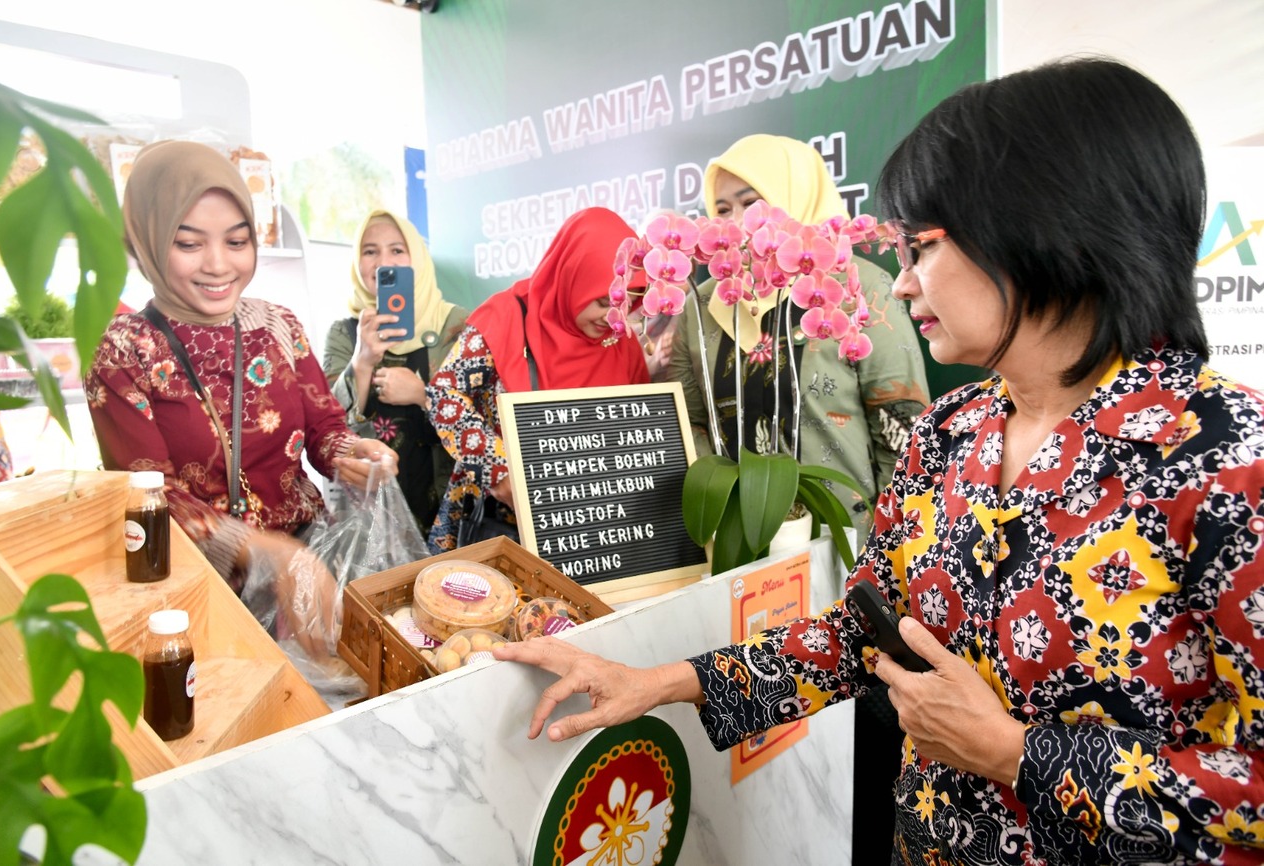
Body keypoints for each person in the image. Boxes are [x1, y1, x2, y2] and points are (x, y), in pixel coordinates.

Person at [496, 58, 1264, 866]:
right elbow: (864, 631)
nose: (898, 286)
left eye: (922, 248)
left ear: (1047, 228)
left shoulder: (1226, 462)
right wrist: (654, 682)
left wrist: (1015, 754)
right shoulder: (953, 432)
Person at [85, 140, 397, 656]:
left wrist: (351, 455)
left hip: (311, 563)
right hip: (203, 588)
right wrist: (260, 551)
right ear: (142, 243)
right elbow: (148, 494)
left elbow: (324, 428)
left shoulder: (278, 325)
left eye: (236, 241)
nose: (218, 264)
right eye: (188, 244)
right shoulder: (122, 352)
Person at [669, 133, 930, 542]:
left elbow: (902, 428)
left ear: (794, 195)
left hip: (849, 544)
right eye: (722, 209)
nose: (736, 222)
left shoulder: (859, 289)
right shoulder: (702, 307)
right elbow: (689, 423)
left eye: (751, 203)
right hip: (737, 544)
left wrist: (889, 543)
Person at [425, 206, 649, 554]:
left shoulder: (622, 341)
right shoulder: (508, 317)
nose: (613, 318)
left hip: (593, 534)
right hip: (501, 525)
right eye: (604, 302)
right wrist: (499, 471)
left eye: (626, 304)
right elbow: (444, 395)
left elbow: (641, 425)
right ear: (573, 275)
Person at [321, 209, 468, 533]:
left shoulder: (455, 325)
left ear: (418, 258)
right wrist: (362, 361)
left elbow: (478, 418)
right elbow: (327, 431)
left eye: (397, 250)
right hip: (372, 515)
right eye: (370, 251)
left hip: (450, 506)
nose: (383, 261)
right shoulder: (345, 333)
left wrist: (422, 395)